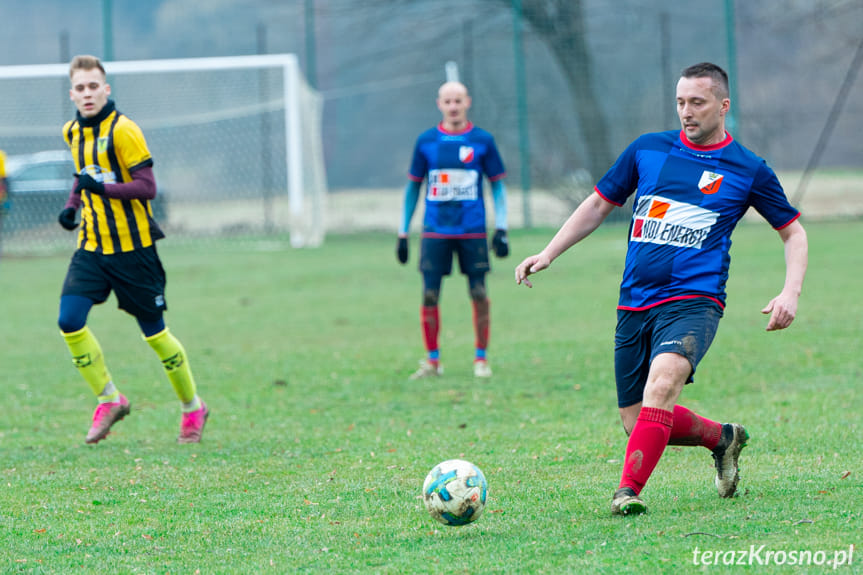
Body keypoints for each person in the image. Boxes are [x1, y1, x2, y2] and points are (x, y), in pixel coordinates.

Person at [515, 62, 807, 515]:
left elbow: (793, 232)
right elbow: (597, 203)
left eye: (697, 102)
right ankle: (722, 438)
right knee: (638, 423)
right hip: (635, 300)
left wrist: (791, 292)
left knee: (664, 382)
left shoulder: (748, 169)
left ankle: (627, 491)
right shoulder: (648, 150)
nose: (686, 112)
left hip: (695, 299)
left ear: (723, 105)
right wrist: (549, 252)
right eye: (680, 102)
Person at [57, 55, 209, 444]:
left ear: (106, 89)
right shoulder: (72, 132)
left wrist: (100, 190)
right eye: (80, 87)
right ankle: (110, 399)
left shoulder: (124, 131)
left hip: (134, 250)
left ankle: (193, 407)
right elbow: (83, 175)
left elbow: (147, 187)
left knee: (155, 335)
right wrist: (73, 206)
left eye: (94, 86)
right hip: (92, 247)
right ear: (72, 93)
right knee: (69, 320)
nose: (87, 93)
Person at [398, 81, 509, 379]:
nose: (453, 106)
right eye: (448, 101)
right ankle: (433, 361)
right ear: (439, 104)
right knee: (430, 295)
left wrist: (501, 227)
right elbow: (413, 188)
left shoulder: (483, 141)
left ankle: (481, 359)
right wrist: (403, 232)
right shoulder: (426, 142)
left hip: (472, 230)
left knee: (478, 291)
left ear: (467, 102)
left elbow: (497, 186)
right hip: (435, 231)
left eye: (458, 100)